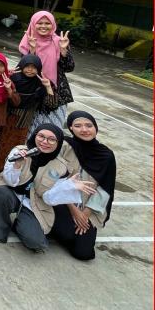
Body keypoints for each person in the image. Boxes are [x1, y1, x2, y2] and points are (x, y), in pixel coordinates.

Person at [0, 123, 70, 252]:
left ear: (58, 143)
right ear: (34, 135)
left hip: (34, 203)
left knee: (36, 243)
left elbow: (51, 199)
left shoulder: (61, 167)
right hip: (11, 192)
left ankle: (20, 224)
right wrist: (17, 165)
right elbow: (10, 182)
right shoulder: (19, 151)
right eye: (41, 136)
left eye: (51, 139)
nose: (45, 142)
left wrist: (70, 187)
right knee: (0, 194)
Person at [51, 111, 116, 261]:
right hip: (62, 202)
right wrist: (74, 210)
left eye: (89, 125)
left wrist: (85, 214)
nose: (84, 129)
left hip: (88, 207)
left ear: (95, 128)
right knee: (67, 234)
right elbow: (54, 179)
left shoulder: (106, 155)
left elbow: (105, 188)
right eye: (78, 126)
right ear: (71, 128)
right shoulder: (64, 146)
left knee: (83, 253)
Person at [0, 55, 56, 172]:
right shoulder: (13, 78)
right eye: (27, 66)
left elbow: (52, 104)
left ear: (39, 69)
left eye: (34, 67)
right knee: (2, 142)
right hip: (8, 118)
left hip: (25, 120)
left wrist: (48, 86)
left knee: (17, 145)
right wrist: (6, 76)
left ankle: (9, 169)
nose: (30, 70)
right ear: (21, 66)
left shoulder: (41, 83)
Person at [19, 11, 74, 134]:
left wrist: (64, 51)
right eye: (39, 23)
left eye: (47, 23)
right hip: (33, 92)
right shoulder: (28, 40)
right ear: (33, 24)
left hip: (56, 93)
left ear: (53, 24)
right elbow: (25, 68)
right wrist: (32, 50)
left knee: (53, 131)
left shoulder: (59, 41)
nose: (43, 26)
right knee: (31, 132)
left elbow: (69, 67)